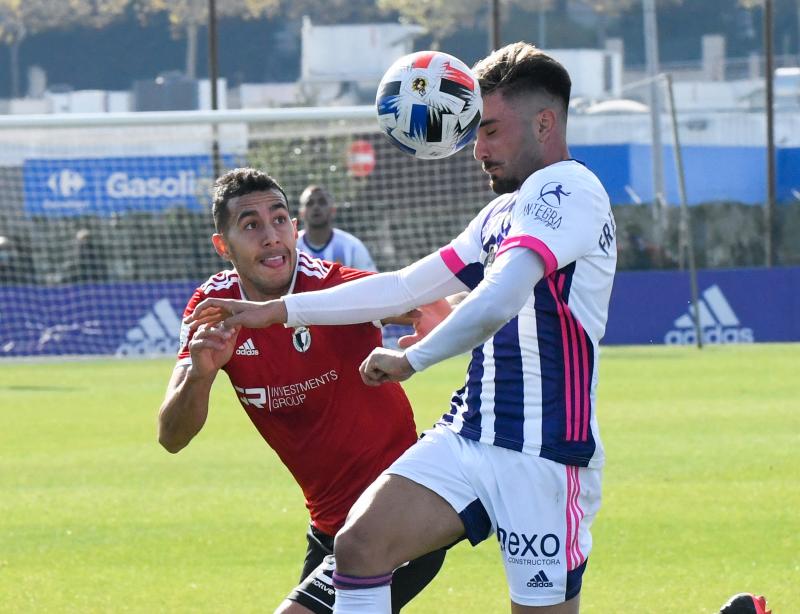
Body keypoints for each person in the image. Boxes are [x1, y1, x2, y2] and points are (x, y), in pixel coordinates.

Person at [185, 42, 617, 614]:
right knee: (360, 544)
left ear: (544, 122)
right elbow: (405, 287)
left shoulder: (571, 192)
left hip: (542, 452)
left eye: (488, 130)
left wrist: (412, 360)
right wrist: (279, 311)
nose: (476, 149)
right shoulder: (500, 213)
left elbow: (502, 294)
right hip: (470, 433)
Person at [157, 168, 445, 613]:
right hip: (330, 527)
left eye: (278, 220)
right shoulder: (212, 307)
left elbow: (419, 298)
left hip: (400, 509)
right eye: (251, 225)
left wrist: (423, 321)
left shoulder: (336, 286)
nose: (271, 236)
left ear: (295, 229)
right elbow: (171, 436)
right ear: (223, 245)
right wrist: (200, 374)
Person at [297, 185, 377, 271]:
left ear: (333, 210)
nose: (316, 207)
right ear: (301, 213)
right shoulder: (293, 246)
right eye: (310, 203)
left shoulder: (352, 246)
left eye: (322, 202)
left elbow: (372, 281)